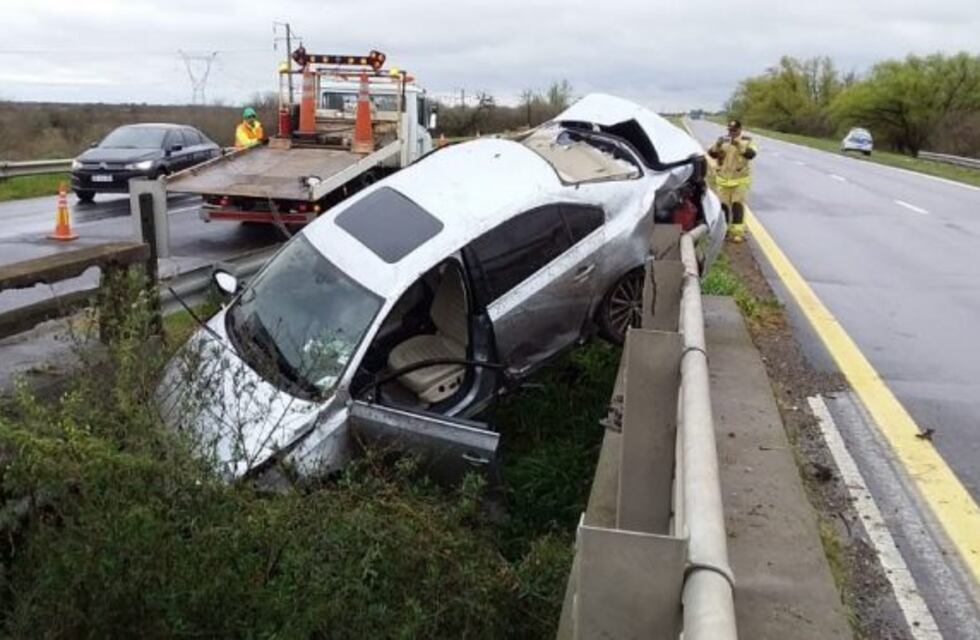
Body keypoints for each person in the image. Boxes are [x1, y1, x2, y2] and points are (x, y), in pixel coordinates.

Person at [708, 119, 758, 242]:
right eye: (730, 130)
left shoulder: (747, 140)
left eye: (734, 130)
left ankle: (737, 233)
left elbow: (751, 154)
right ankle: (723, 231)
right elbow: (712, 154)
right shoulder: (723, 140)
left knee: (737, 205)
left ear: (740, 129)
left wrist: (739, 145)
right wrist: (717, 146)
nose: (732, 133)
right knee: (723, 206)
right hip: (723, 180)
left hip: (740, 180)